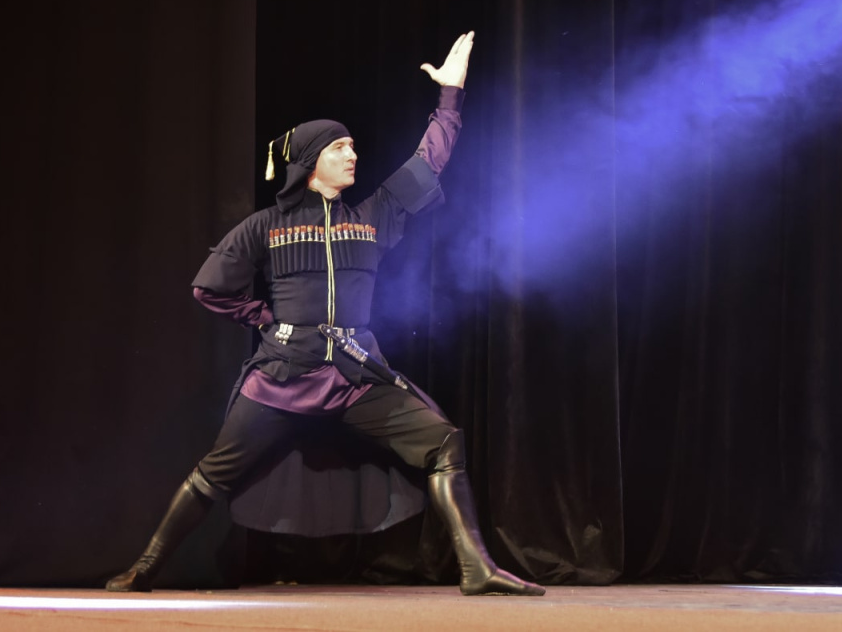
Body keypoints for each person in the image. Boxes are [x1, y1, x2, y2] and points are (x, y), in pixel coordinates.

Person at [105, 32, 544, 596]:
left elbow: (429, 160)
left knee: (444, 442)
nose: (352, 155)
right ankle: (143, 568)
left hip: (355, 374)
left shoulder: (373, 215)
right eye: (340, 148)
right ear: (313, 161)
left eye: (353, 146)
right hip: (282, 376)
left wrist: (450, 96)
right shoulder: (267, 225)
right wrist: (264, 320)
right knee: (214, 472)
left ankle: (476, 569)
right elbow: (208, 288)